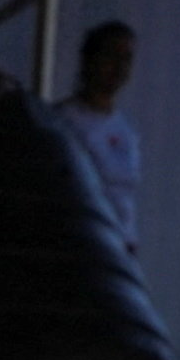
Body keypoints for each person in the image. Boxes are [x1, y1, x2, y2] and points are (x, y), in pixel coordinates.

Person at [52, 22, 142, 251]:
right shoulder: (64, 121)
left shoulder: (126, 133)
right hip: (81, 245)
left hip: (116, 251)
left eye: (127, 59)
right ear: (91, 59)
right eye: (112, 56)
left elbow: (125, 200)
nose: (120, 67)